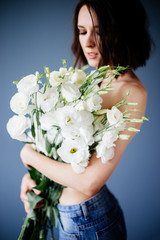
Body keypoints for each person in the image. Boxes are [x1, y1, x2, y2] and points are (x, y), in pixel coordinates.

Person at [20, 0, 152, 239]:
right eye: (82, 31)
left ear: (123, 31)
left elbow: (90, 181)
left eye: (100, 32)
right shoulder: (94, 79)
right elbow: (65, 153)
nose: (88, 42)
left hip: (88, 222)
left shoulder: (131, 91)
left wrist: (29, 155)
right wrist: (34, 178)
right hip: (75, 214)